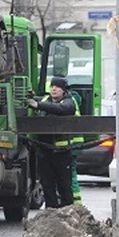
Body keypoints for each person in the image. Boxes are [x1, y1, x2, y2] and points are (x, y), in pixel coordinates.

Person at [27, 76, 77, 208]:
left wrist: (38, 105)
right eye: (52, 86)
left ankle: (68, 211)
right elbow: (36, 101)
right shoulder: (45, 99)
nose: (54, 89)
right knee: (47, 185)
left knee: (64, 185)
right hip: (44, 151)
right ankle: (52, 212)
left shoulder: (69, 102)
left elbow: (62, 109)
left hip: (62, 153)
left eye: (57, 87)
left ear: (63, 90)